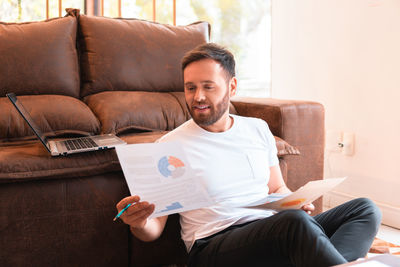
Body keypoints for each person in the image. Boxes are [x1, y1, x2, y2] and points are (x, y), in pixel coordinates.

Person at [116, 43, 381, 267]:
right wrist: (139, 224)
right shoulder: (170, 146)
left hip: (271, 228)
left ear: (232, 87)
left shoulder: (257, 128)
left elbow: (276, 186)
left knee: (364, 209)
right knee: (295, 224)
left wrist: (293, 201)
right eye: (190, 87)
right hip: (213, 245)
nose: (198, 97)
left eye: (208, 86)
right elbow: (154, 228)